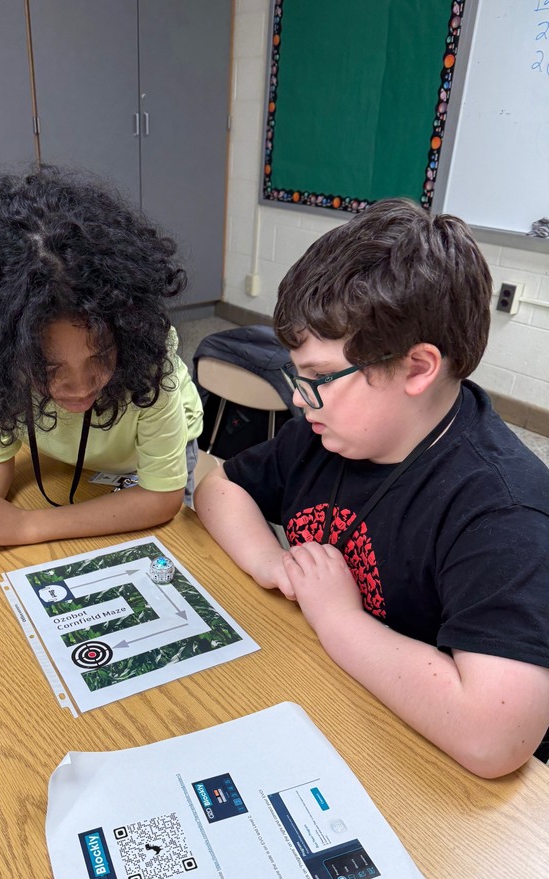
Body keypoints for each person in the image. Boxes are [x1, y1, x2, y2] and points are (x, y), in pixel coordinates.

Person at [194, 199, 549, 779]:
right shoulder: (330, 433)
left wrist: (339, 619)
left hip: (430, 772)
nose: (299, 400)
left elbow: (496, 736)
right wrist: (270, 562)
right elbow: (218, 488)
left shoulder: (502, 511)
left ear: (417, 368)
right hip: (335, 703)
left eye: (317, 378)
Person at [0, 167, 202, 606]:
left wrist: (26, 526)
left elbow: (160, 498)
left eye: (100, 357)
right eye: (48, 368)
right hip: (72, 460)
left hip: (145, 467)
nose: (79, 387)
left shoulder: (148, 348)